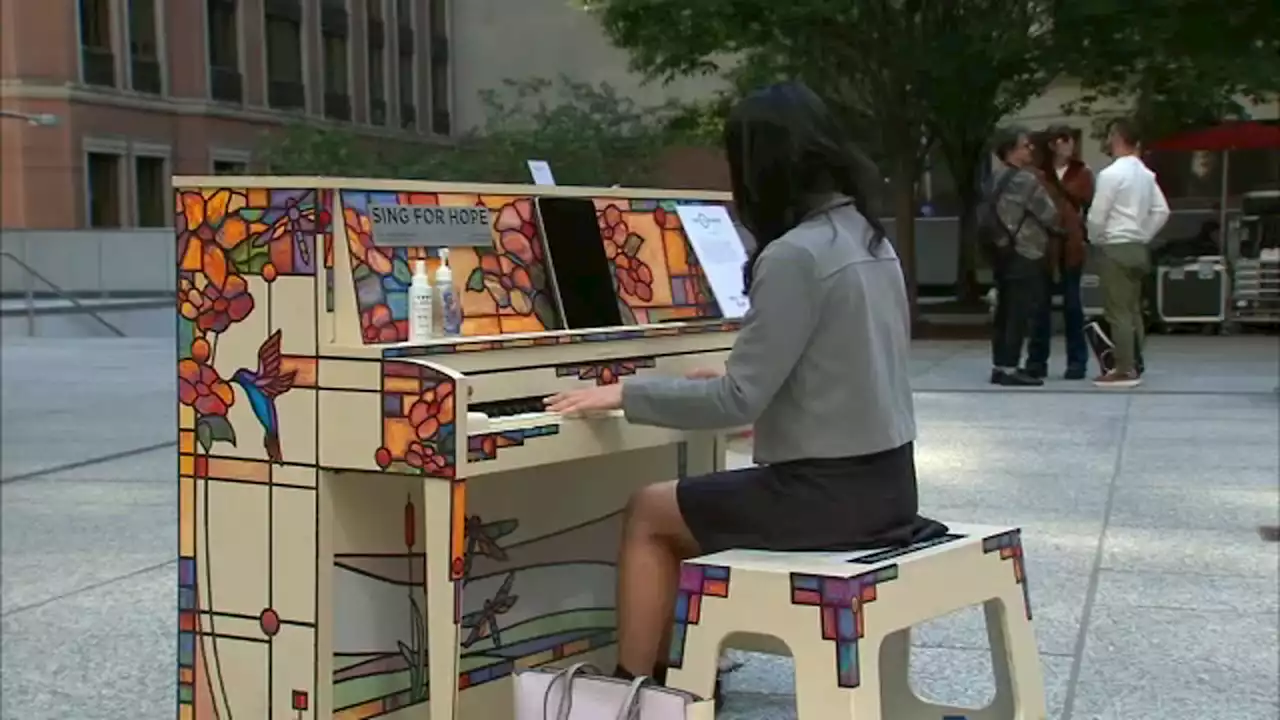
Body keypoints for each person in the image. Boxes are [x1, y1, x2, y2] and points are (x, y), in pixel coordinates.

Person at [543, 81, 943, 694]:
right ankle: (683, 670)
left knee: (650, 510)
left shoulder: (794, 255)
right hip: (889, 485)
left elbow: (737, 401)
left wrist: (625, 392)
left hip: (824, 497)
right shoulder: (870, 239)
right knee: (695, 500)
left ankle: (630, 691)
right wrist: (740, 384)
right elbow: (842, 367)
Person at [1087, 118, 1170, 387]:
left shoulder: (1111, 174)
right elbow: (1162, 211)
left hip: (1116, 244)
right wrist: (1143, 234)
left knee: (1117, 311)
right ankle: (1135, 360)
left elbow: (1098, 214)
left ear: (1117, 137)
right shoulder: (1147, 175)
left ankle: (1123, 368)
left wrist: (1096, 238)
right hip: (1137, 246)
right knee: (1134, 310)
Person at [984, 127, 1061, 387]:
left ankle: (999, 365)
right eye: (1025, 145)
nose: (1031, 149)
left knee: (1004, 311)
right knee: (1019, 311)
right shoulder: (1026, 181)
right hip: (1025, 250)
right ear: (1011, 150)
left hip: (1000, 250)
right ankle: (1010, 368)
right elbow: (1050, 214)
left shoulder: (993, 178)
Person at [1026, 126, 1093, 380]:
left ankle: (1077, 362)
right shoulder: (1038, 174)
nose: (1069, 145)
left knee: (1073, 305)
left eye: (1071, 141)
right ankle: (1036, 360)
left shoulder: (1082, 172)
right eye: (1063, 141)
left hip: (1071, 244)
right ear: (1053, 144)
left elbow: (1084, 199)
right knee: (1040, 306)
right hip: (1044, 245)